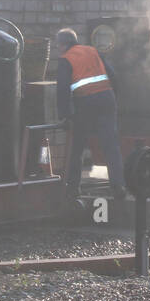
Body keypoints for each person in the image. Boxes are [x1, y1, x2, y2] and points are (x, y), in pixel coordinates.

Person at [54, 28, 126, 199]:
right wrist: (113, 98)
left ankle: (73, 188)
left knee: (77, 146)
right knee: (111, 146)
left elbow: (62, 89)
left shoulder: (66, 59)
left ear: (62, 45)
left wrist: (65, 115)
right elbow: (113, 75)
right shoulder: (93, 51)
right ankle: (118, 187)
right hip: (107, 99)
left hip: (85, 103)